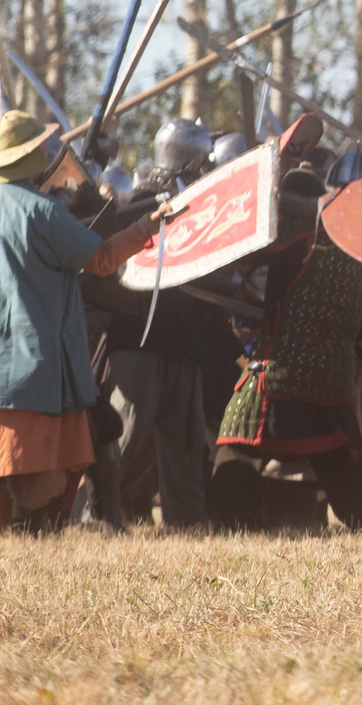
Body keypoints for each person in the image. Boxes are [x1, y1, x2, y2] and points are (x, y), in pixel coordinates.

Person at [0, 112, 163, 534]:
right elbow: (101, 259)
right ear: (28, 158)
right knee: (37, 483)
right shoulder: (40, 211)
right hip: (34, 370)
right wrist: (144, 226)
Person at [209, 120, 362, 533]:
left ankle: (230, 527)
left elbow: (259, 278)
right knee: (339, 457)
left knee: (237, 441)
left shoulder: (301, 240)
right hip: (334, 375)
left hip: (283, 367)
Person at [106, 114, 239, 531]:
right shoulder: (142, 200)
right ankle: (95, 511)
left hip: (182, 337)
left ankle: (186, 519)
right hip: (138, 335)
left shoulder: (196, 199)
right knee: (125, 436)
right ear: (189, 159)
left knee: (184, 440)